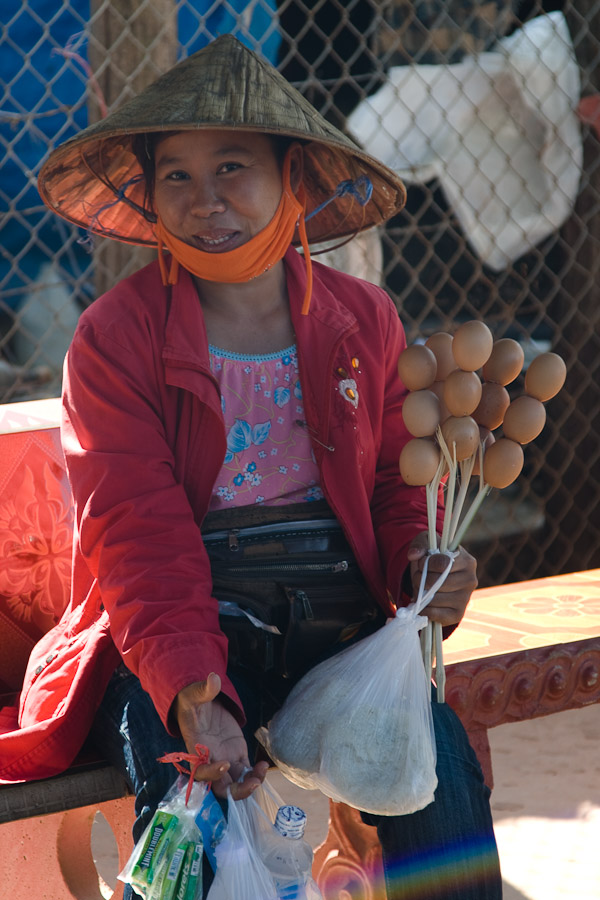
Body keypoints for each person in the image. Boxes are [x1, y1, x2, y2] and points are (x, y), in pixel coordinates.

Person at [4, 35, 501, 899]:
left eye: (232, 167)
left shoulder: (363, 321)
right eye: (179, 177)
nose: (207, 202)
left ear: (292, 182)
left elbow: (395, 484)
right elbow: (138, 534)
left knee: (439, 786)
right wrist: (199, 695)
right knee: (186, 834)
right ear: (151, 195)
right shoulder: (115, 341)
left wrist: (421, 568)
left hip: (336, 632)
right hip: (182, 635)